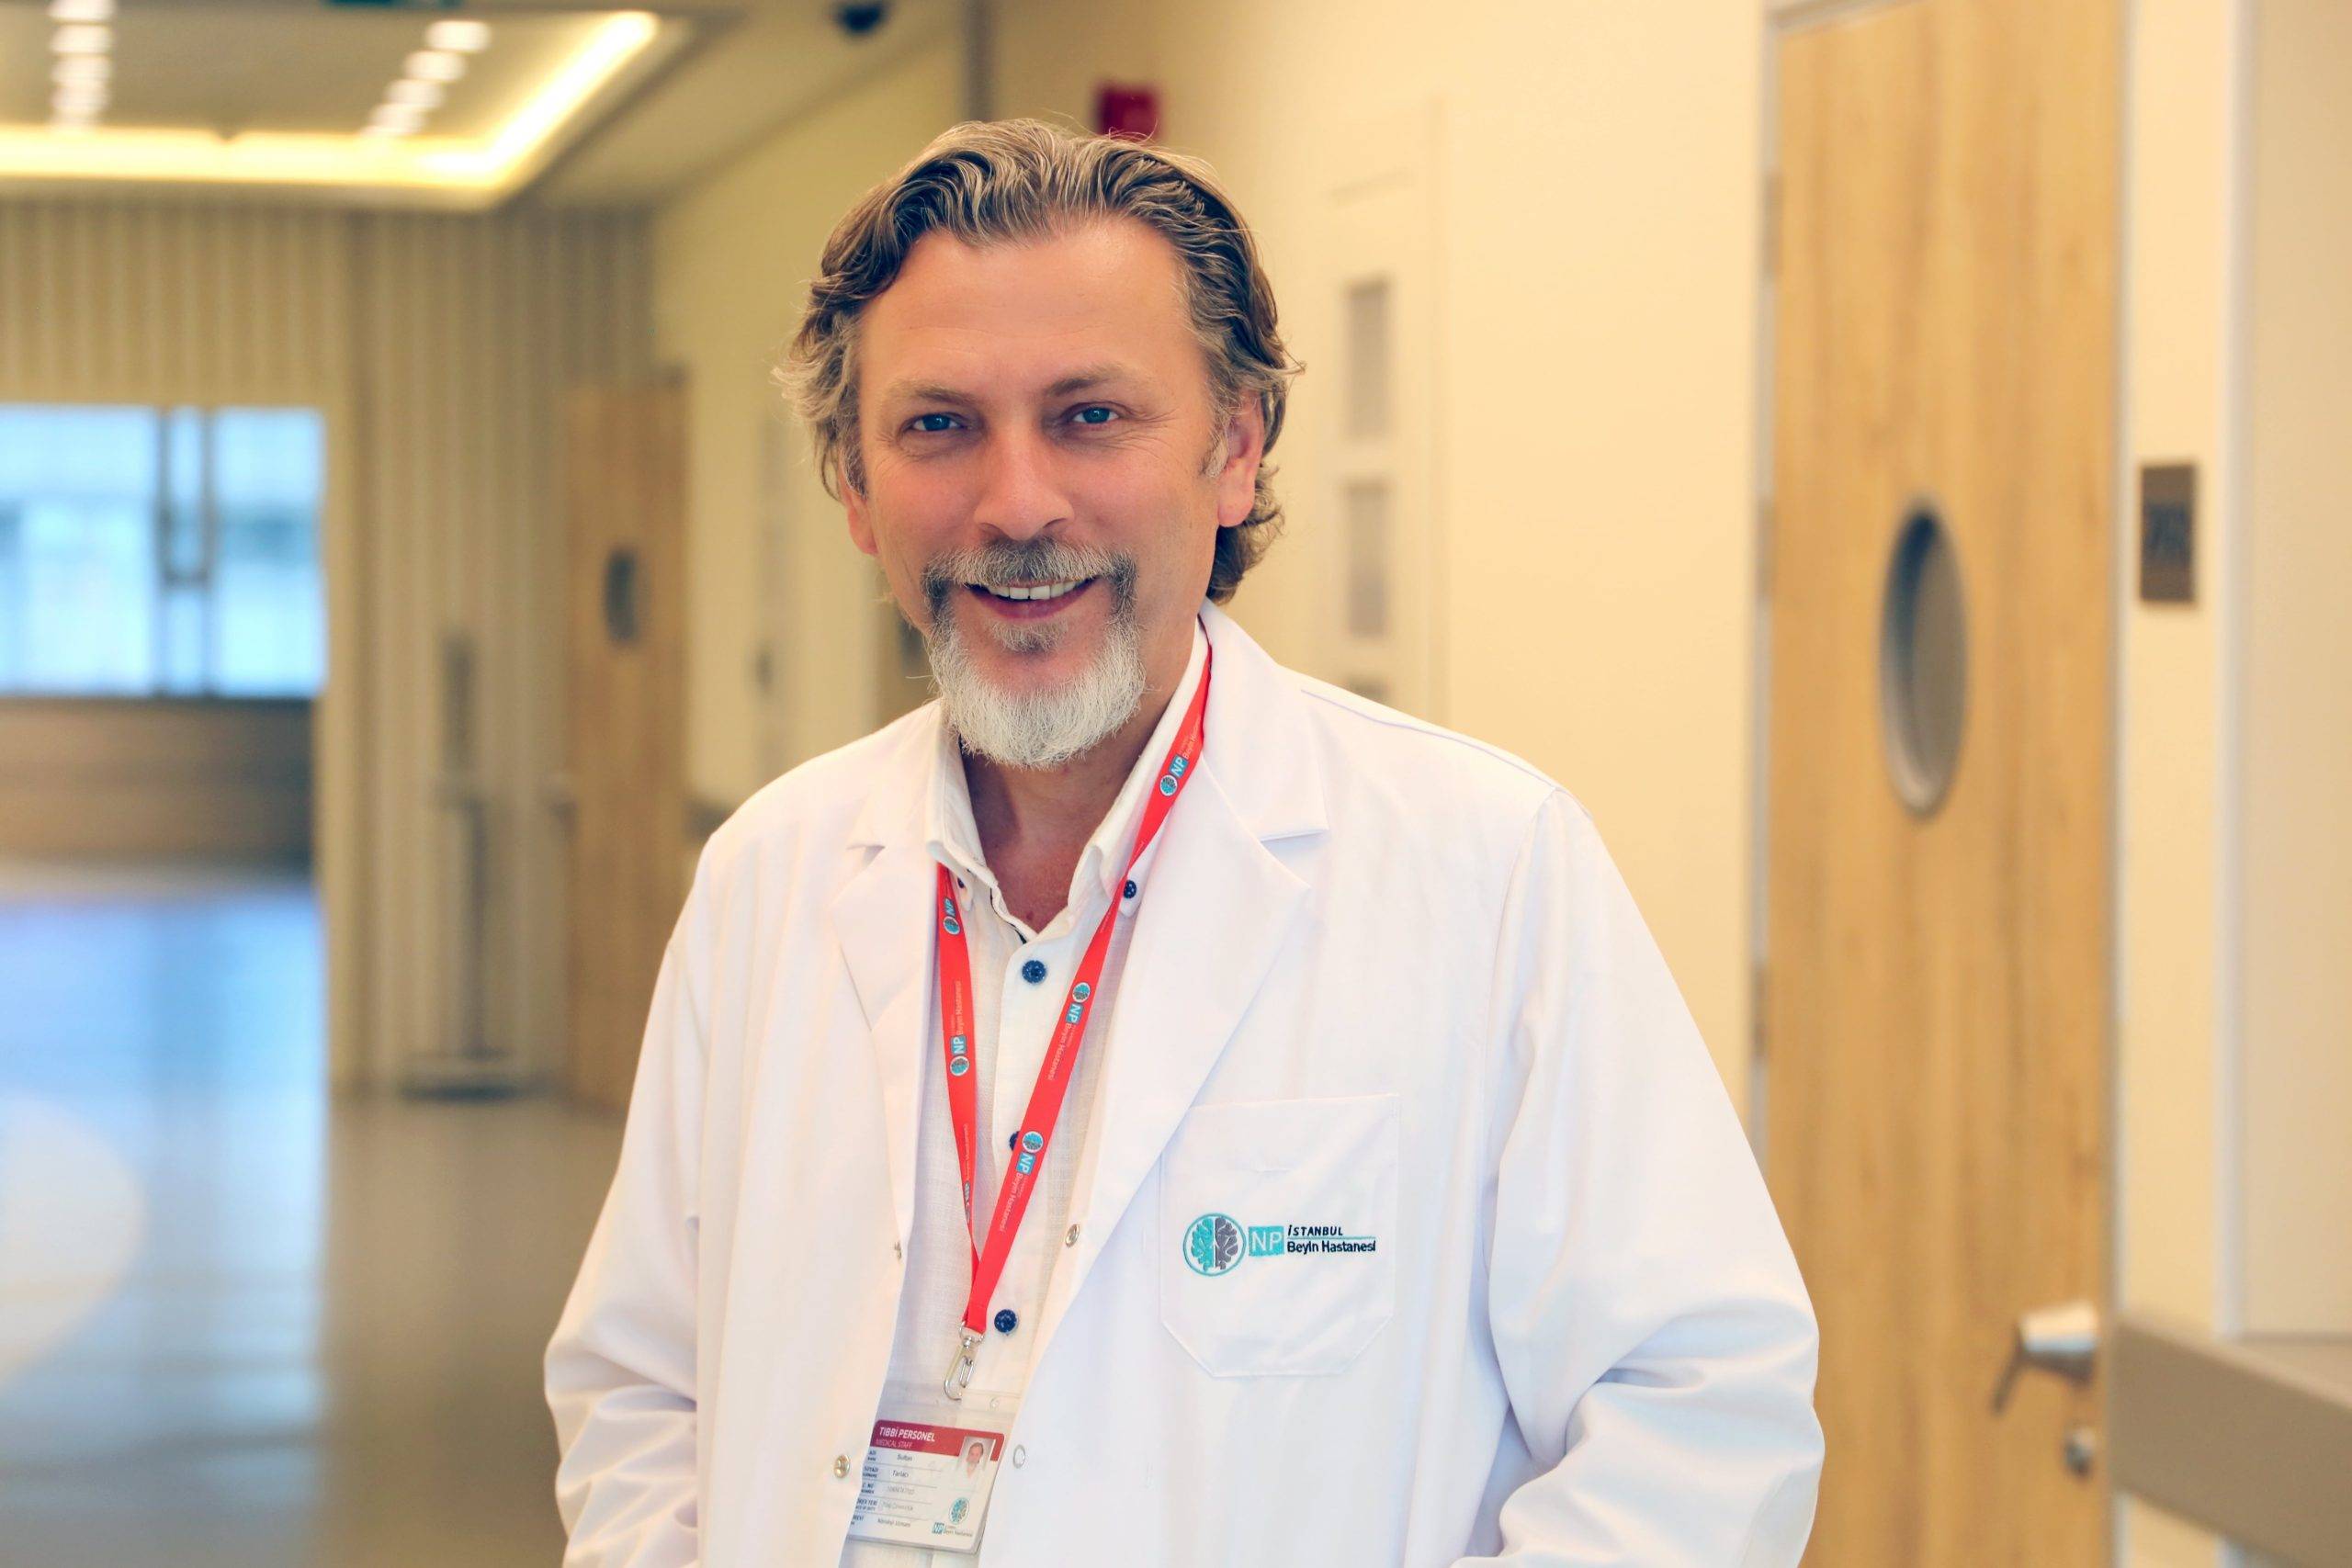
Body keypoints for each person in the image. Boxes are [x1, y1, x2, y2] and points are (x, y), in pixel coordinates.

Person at [545, 118, 1823, 1566]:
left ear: (1234, 450)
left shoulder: (1484, 869)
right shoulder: (769, 876)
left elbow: (1699, 1409)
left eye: (1090, 416)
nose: (1017, 504)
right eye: (938, 426)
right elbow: (640, 1389)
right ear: (853, 484)